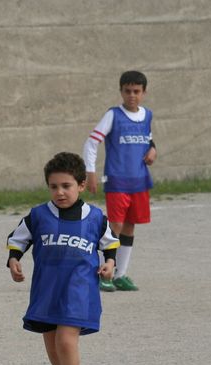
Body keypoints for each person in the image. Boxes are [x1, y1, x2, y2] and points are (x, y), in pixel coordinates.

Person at [6, 152, 120, 365]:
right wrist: (13, 260)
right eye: (54, 186)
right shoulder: (39, 216)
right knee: (52, 344)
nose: (59, 192)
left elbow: (110, 242)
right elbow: (18, 239)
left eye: (66, 186)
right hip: (47, 289)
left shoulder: (95, 218)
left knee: (66, 341)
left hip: (79, 290)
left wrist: (110, 263)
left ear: (81, 185)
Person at [83, 70, 157, 292]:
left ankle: (120, 274)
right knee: (114, 226)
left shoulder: (147, 115)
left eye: (136, 91)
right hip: (117, 180)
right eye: (127, 91)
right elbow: (91, 142)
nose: (132, 95)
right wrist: (90, 172)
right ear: (121, 91)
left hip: (139, 181)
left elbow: (149, 139)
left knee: (129, 226)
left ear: (144, 92)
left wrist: (153, 149)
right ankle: (103, 272)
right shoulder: (113, 115)